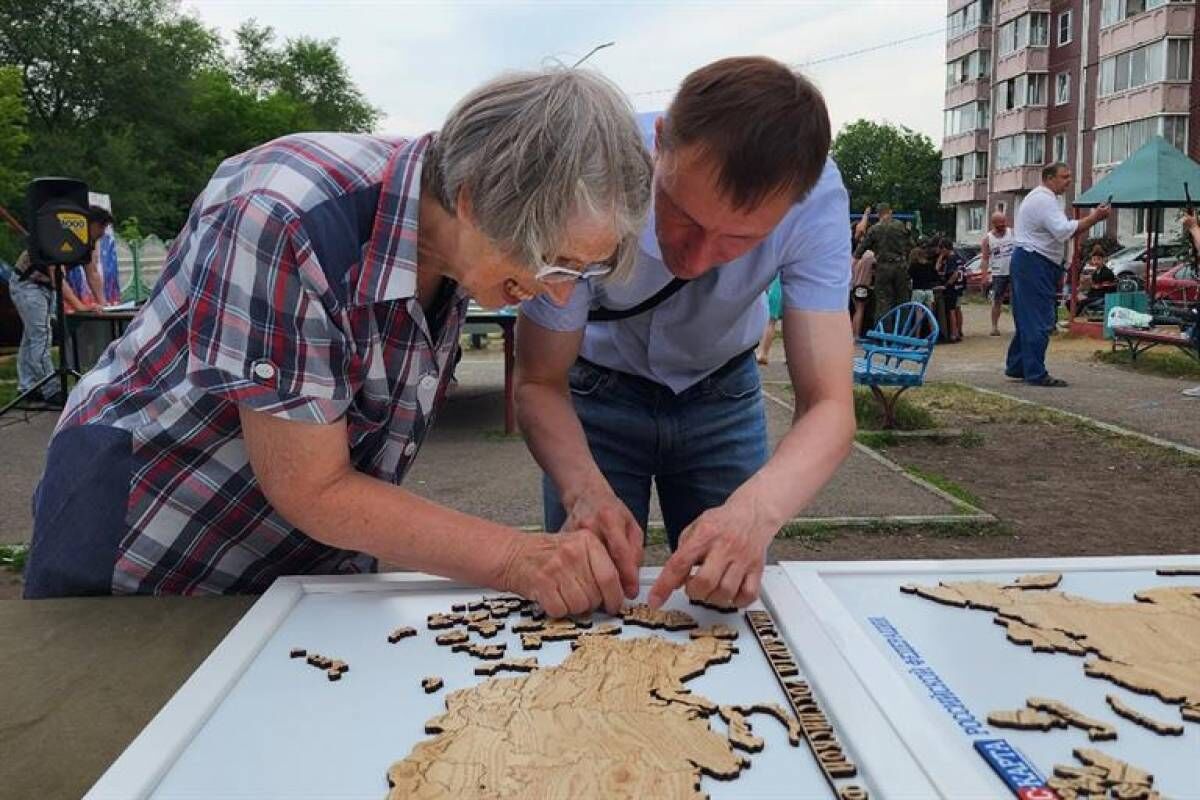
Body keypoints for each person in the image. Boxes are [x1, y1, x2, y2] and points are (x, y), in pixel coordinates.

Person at [23, 67, 654, 615]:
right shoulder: (285, 215)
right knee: (115, 734)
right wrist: (519, 558)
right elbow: (312, 485)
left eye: (582, 271)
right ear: (474, 202)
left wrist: (587, 492)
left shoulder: (462, 241)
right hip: (152, 539)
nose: (560, 294)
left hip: (300, 559)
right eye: (554, 264)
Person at [517, 57, 854, 612]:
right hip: (594, 397)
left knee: (723, 596)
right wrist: (583, 490)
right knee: (581, 597)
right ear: (658, 143)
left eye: (740, 240)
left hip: (721, 393)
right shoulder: (594, 166)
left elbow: (830, 405)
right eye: (682, 214)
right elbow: (539, 379)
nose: (697, 260)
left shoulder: (815, 199)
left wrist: (756, 512)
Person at [1005, 163, 1109, 387]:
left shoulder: (1044, 198)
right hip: (1034, 262)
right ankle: (1035, 372)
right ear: (1049, 178)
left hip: (1032, 261)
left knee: (1029, 318)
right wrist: (1095, 218)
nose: (1068, 181)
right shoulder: (1044, 199)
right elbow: (1063, 231)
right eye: (1064, 177)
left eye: (1069, 176)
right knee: (1039, 319)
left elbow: (1061, 231)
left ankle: (1018, 365)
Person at [7, 206, 111, 403]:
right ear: (89, 224)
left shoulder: (87, 243)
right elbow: (58, 278)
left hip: (45, 287)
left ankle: (27, 387)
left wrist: (103, 304)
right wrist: (80, 306)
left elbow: (92, 274)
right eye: (101, 226)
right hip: (28, 284)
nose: (104, 232)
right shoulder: (59, 237)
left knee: (31, 336)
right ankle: (51, 389)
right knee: (41, 334)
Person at [854, 203, 911, 320]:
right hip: (900, 266)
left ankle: (884, 332)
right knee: (902, 300)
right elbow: (911, 244)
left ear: (878, 214)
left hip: (883, 267)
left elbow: (860, 250)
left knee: (883, 301)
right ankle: (901, 332)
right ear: (890, 212)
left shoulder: (874, 229)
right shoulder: (900, 225)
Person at [980, 211, 1014, 336]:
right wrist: (984, 276)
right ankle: (994, 327)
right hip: (998, 273)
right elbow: (984, 258)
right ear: (994, 224)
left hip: (1014, 271)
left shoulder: (1012, 233)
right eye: (1000, 224)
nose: (1003, 226)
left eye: (1004, 222)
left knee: (1017, 300)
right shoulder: (988, 239)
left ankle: (1019, 326)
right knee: (997, 300)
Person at [937, 238, 965, 342]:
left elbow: (955, 273)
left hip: (953, 288)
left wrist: (947, 284)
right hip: (960, 286)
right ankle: (959, 330)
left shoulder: (950, 258)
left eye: (941, 249)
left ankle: (954, 333)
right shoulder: (959, 257)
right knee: (958, 308)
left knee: (951, 310)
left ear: (944, 248)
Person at [756, 275, 783, 364]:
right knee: (789, 324)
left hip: (776, 287)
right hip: (789, 287)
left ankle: (763, 353)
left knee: (770, 322)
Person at [850, 249, 876, 338]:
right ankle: (857, 334)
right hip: (864, 285)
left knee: (856, 310)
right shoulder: (870, 256)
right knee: (860, 310)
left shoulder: (856, 258)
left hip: (855, 285)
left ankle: (853, 333)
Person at [907, 239, 939, 311]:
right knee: (930, 313)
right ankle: (931, 322)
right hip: (929, 290)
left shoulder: (913, 266)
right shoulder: (929, 265)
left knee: (919, 312)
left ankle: (918, 322)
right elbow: (935, 276)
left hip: (918, 290)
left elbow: (908, 277)